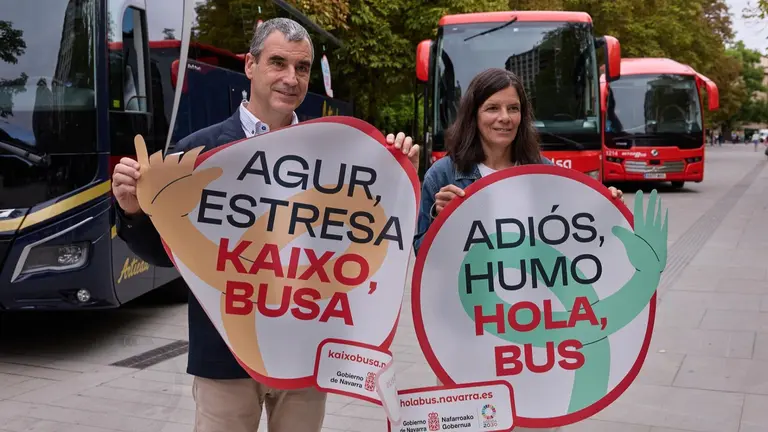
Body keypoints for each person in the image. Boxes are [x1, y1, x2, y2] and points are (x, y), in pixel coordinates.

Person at [110, 18, 418, 432]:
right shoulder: (199, 153)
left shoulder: (337, 157)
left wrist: (399, 177)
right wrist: (132, 210)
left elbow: (373, 233)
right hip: (225, 355)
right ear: (251, 66)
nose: (291, 79)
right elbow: (167, 256)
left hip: (306, 354)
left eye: (302, 67)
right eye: (278, 63)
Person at [413, 68, 622, 254]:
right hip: (471, 297)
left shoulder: (545, 172)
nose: (505, 117)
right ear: (473, 115)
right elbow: (423, 255)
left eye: (513, 108)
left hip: (535, 296)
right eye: (492, 108)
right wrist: (441, 220)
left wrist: (606, 211)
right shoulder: (442, 175)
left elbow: (575, 241)